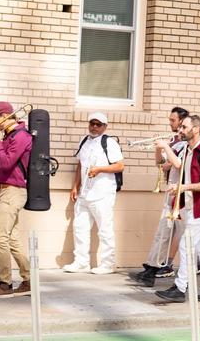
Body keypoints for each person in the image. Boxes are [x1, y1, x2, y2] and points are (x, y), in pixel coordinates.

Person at [155, 115, 200, 302]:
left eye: (184, 127)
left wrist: (183, 187)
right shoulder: (187, 149)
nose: (180, 130)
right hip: (190, 205)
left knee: (187, 246)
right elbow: (178, 168)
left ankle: (180, 288)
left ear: (196, 129)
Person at [130, 107, 189, 286]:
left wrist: (166, 147)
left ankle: (155, 270)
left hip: (182, 196)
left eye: (173, 121)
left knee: (174, 234)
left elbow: (179, 165)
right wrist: (158, 147)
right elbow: (162, 165)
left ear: (182, 122)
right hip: (171, 193)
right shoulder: (174, 142)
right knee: (163, 233)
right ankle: (151, 269)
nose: (170, 124)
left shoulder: (185, 144)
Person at [0, 101, 33, 299]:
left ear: (4, 116)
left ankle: (5, 283)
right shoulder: (11, 135)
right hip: (6, 189)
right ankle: (29, 281)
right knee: (12, 240)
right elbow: (3, 164)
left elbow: (8, 162)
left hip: (13, 191)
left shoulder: (21, 135)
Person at [63, 112, 124, 274]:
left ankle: (108, 264)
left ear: (105, 126)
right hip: (85, 191)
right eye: (92, 123)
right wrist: (75, 186)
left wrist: (99, 169)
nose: (94, 127)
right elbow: (80, 165)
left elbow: (119, 166)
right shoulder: (84, 141)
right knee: (80, 227)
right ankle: (81, 262)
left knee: (104, 228)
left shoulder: (109, 142)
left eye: (98, 124)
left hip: (102, 192)